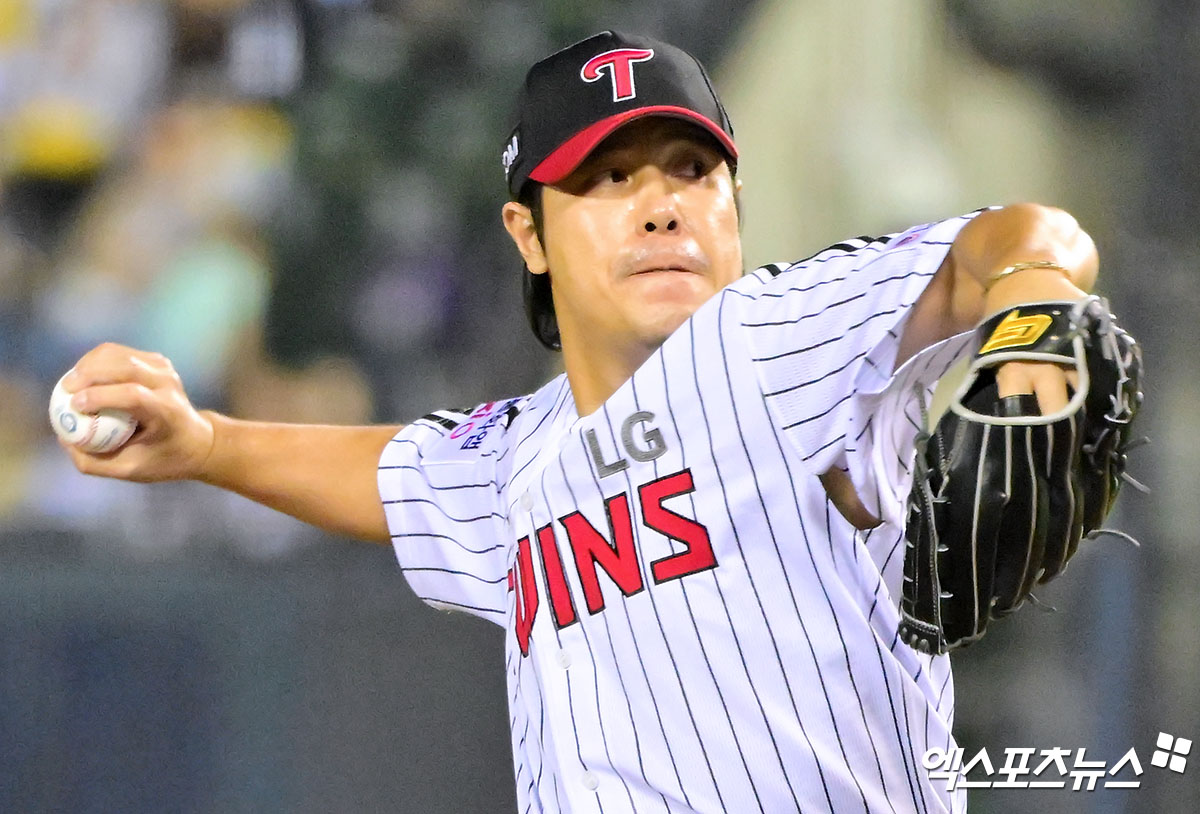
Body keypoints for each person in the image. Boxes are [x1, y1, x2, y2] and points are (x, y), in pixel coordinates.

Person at [60, 31, 1105, 813]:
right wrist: (209, 445)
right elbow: (394, 473)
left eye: (692, 171)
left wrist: (1035, 307)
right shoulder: (518, 457)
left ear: (734, 205)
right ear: (530, 234)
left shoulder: (778, 336)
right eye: (609, 178)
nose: (662, 206)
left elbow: (1021, 234)